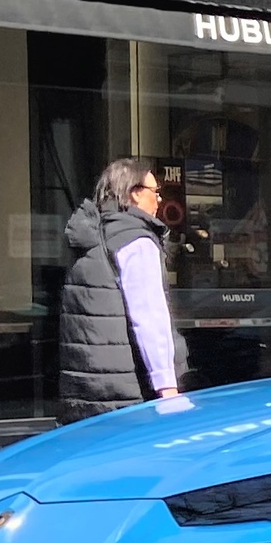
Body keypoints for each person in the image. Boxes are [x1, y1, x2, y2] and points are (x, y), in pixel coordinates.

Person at [60, 157, 184, 419]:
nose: (160, 200)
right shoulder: (135, 240)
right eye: (155, 192)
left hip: (86, 392)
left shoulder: (92, 236)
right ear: (134, 194)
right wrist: (168, 389)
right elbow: (149, 316)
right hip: (129, 395)